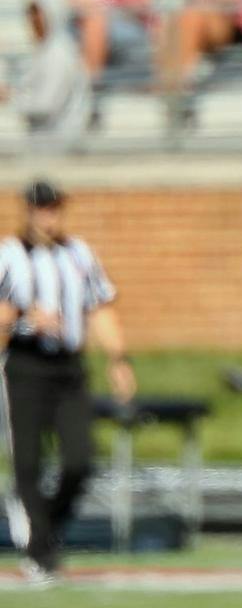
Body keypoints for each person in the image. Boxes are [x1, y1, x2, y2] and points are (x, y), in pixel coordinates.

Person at [0, 180, 135, 583]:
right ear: (28, 211)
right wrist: (25, 316)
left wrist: (119, 360)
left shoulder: (79, 254)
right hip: (25, 364)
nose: (48, 216)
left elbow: (100, 307)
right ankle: (41, 552)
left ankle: (46, 531)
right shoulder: (9, 255)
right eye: (41, 209)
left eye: (54, 208)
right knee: (28, 462)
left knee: (80, 459)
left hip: (70, 367)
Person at [0, 0, 91, 149]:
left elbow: (45, 105)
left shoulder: (57, 54)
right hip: (46, 140)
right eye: (30, 15)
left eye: (37, 14)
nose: (33, 20)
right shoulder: (47, 51)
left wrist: (10, 98)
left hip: (57, 142)